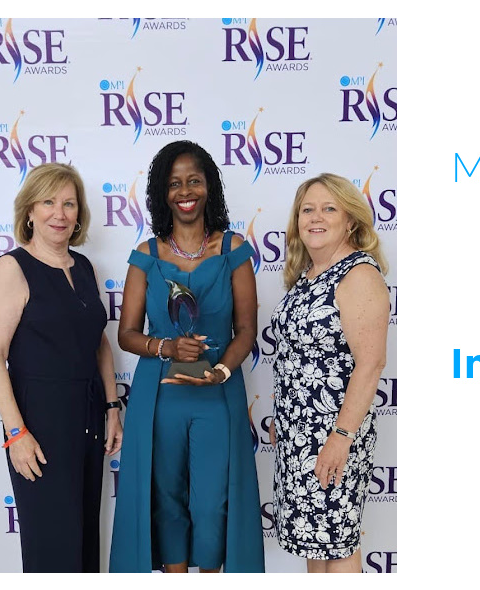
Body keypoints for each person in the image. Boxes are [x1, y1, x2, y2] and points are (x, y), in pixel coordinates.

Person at [110, 140, 264, 573]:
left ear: (209, 186)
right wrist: (167, 348)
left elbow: (246, 330)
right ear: (163, 193)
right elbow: (126, 334)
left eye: (194, 180)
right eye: (174, 183)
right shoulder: (146, 255)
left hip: (217, 393)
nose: (185, 191)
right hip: (159, 396)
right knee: (166, 501)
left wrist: (221, 370)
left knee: (213, 505)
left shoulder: (233, 250)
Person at [0, 163, 123, 573]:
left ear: (79, 214)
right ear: (29, 211)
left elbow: (98, 341)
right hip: (38, 425)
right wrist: (16, 433)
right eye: (48, 202)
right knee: (52, 551)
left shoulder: (84, 267)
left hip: (88, 417)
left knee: (83, 545)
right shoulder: (13, 268)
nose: (59, 214)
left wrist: (112, 407)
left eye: (69, 204)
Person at [269, 173, 391, 573]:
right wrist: (284, 417)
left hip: (335, 432)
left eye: (328, 209)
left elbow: (370, 363)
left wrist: (341, 437)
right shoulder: (307, 276)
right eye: (307, 210)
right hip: (299, 435)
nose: (315, 217)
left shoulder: (358, 275)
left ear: (350, 220)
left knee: (337, 544)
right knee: (316, 543)